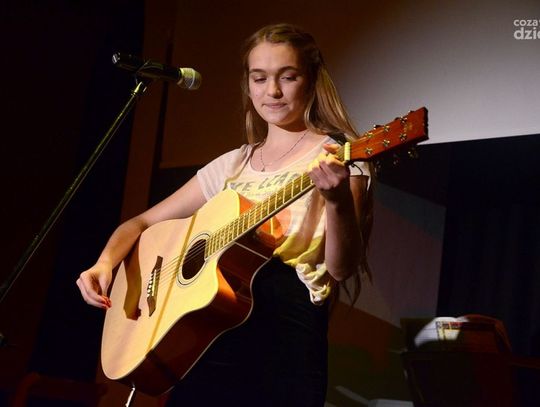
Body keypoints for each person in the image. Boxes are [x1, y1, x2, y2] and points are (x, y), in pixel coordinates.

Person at [77, 23, 372, 407]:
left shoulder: (339, 156)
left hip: (286, 336)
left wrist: (336, 201)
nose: (273, 91)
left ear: (311, 79)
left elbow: (341, 268)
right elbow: (140, 224)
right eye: (260, 78)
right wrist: (104, 263)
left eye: (288, 76)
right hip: (211, 328)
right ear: (247, 85)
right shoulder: (234, 163)